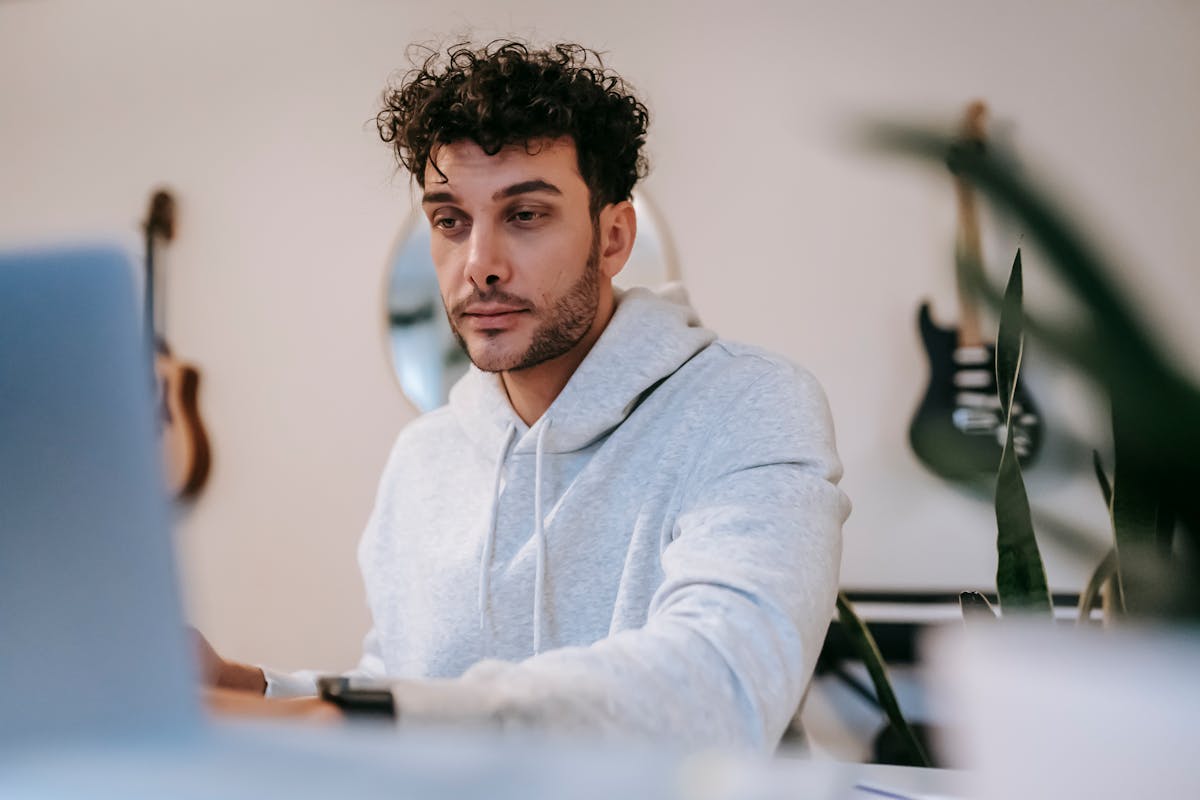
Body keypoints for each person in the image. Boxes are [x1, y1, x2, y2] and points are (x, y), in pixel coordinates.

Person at [199, 40, 850, 752]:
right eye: (450, 221)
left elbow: (720, 691)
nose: (479, 265)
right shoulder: (424, 458)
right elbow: (409, 688)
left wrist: (333, 720)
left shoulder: (748, 407)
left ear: (613, 237)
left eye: (526, 215)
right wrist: (250, 687)